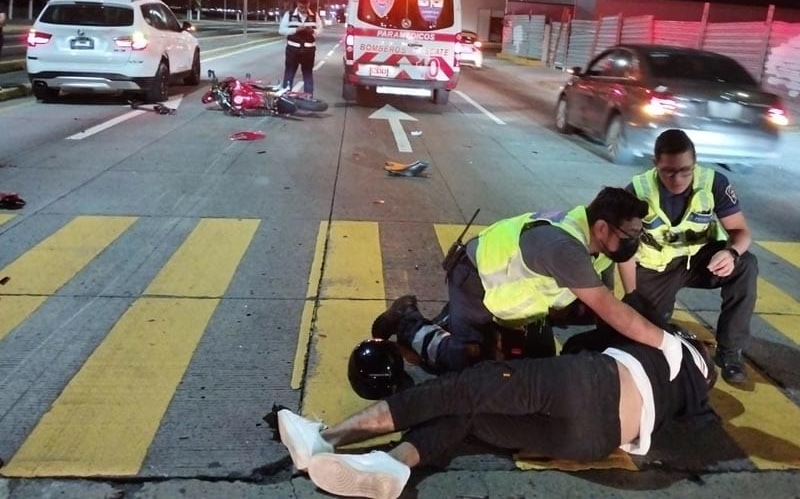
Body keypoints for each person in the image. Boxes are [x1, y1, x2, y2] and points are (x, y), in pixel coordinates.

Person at [276, 327, 716, 499]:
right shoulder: (692, 396)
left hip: (586, 385)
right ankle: (392, 465)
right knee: (469, 420)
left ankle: (327, 438)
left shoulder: (672, 343)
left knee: (461, 391)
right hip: (593, 441)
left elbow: (588, 336)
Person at [372, 187, 685, 379]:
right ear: (602, 228)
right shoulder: (565, 248)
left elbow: (604, 303)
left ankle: (453, 320)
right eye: (630, 236)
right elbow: (611, 310)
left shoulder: (597, 244)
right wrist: (667, 344)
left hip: (517, 300)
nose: (635, 242)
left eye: (638, 234)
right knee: (466, 363)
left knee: (538, 367)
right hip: (475, 282)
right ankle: (410, 320)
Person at [618, 128, 758, 385]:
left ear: (695, 163)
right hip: (656, 268)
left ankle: (729, 353)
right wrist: (631, 294)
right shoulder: (637, 191)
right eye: (669, 172)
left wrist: (731, 252)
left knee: (746, 264)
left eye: (686, 170)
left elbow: (741, 231)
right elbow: (624, 250)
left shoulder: (714, 183)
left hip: (700, 261)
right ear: (655, 164)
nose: (678, 179)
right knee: (647, 335)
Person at [278, 0, 323, 96]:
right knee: (289, 74)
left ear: (308, 5)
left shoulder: (314, 15)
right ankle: (286, 95)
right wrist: (296, 30)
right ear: (297, 5)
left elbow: (320, 30)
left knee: (307, 74)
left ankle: (308, 97)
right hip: (292, 50)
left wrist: (313, 31)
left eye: (305, 7)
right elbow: (281, 30)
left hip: (308, 51)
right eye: (301, 7)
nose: (303, 9)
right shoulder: (289, 15)